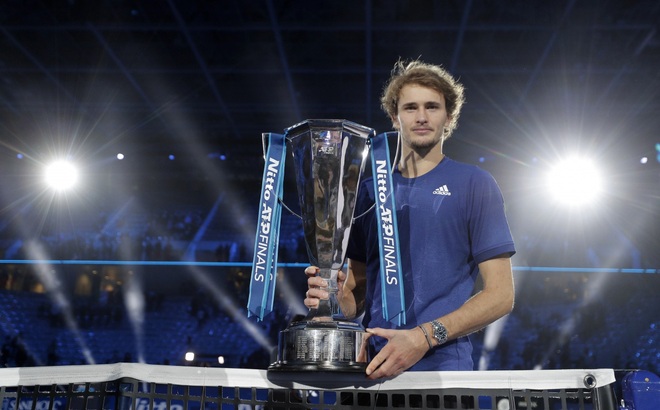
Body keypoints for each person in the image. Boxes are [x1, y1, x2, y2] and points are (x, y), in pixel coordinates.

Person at [304, 59, 516, 379]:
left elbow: (501, 295)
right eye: (410, 107)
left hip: (443, 373)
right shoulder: (366, 193)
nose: (421, 117)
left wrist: (423, 338)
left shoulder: (475, 184)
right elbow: (357, 294)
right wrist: (334, 300)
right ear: (394, 117)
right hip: (370, 369)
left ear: (449, 117)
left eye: (432, 107)